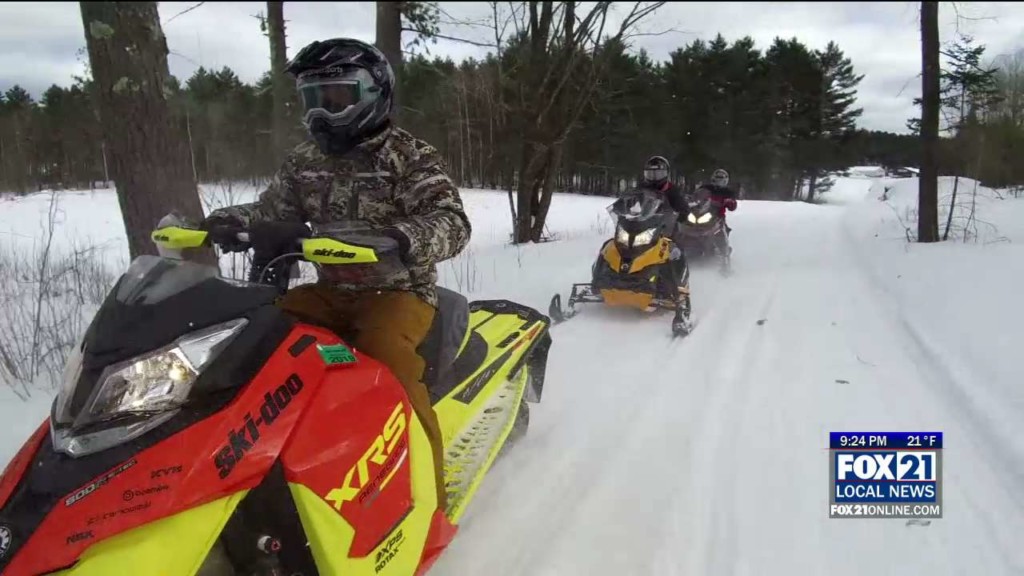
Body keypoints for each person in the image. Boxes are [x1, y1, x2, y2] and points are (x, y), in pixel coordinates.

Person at [201, 38, 469, 513]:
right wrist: (225, 221)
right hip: (329, 290)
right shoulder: (304, 161)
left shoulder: (410, 156)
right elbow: (272, 210)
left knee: (388, 360)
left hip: (400, 292)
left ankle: (428, 495)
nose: (323, 112)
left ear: (374, 93)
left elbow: (451, 222)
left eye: (338, 97)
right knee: (255, 336)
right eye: (313, 99)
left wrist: (402, 238)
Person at [636, 155, 692, 331]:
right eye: (650, 173)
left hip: (666, 229)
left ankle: (677, 288)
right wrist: (623, 209)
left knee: (674, 252)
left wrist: (682, 214)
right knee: (613, 246)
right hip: (643, 227)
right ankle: (604, 279)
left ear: (666, 173)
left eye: (657, 173)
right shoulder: (641, 188)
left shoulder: (672, 190)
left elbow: (683, 208)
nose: (654, 177)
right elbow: (628, 203)